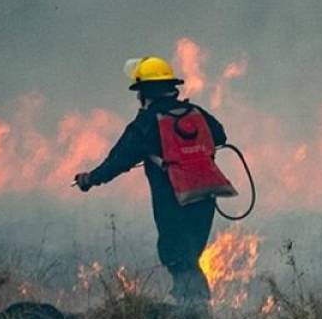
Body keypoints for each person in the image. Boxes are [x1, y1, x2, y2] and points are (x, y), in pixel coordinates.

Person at [74, 56, 234, 305]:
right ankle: (192, 306)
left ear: (143, 93)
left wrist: (89, 179)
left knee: (175, 254)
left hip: (173, 199)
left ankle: (194, 309)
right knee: (190, 254)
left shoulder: (147, 123)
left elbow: (117, 161)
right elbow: (220, 136)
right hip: (205, 195)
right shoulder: (195, 112)